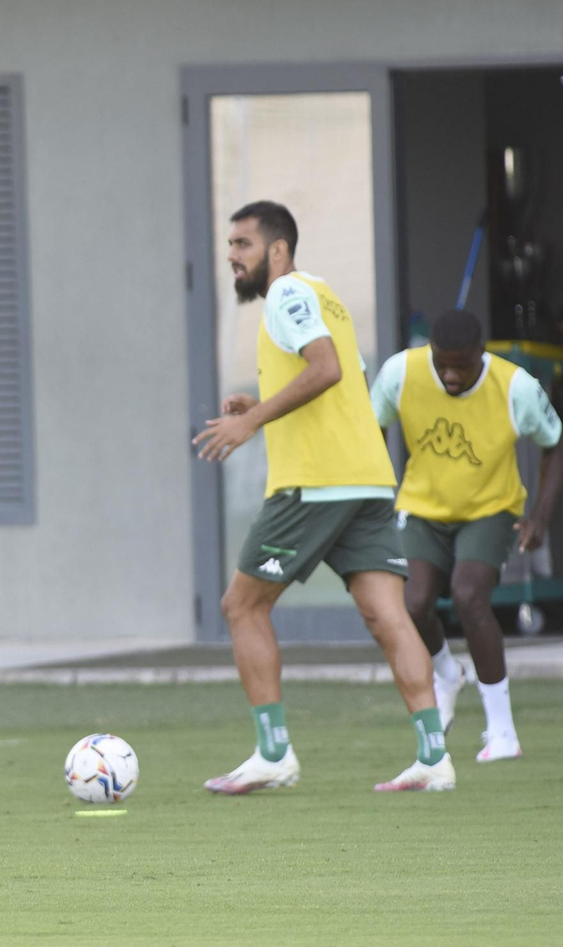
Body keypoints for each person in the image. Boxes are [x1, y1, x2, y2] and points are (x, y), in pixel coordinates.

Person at [193, 201, 454, 793]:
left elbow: (328, 368)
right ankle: (434, 758)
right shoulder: (323, 295)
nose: (232, 256)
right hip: (366, 478)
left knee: (242, 606)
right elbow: (346, 380)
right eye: (230, 245)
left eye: (242, 244)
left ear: (278, 249)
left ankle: (273, 754)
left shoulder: (286, 293)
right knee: (388, 616)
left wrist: (252, 419)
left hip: (316, 482)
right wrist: (262, 399)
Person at [370, 309, 563, 762]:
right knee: (412, 603)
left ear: (482, 353)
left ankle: (502, 732)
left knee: (468, 595)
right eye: (441, 364)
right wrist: (375, 495)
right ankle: (446, 672)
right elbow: (371, 429)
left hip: (490, 509)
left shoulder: (516, 386)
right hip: (422, 507)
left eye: (461, 366)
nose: (450, 375)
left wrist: (539, 518)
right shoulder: (400, 372)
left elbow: (556, 446)